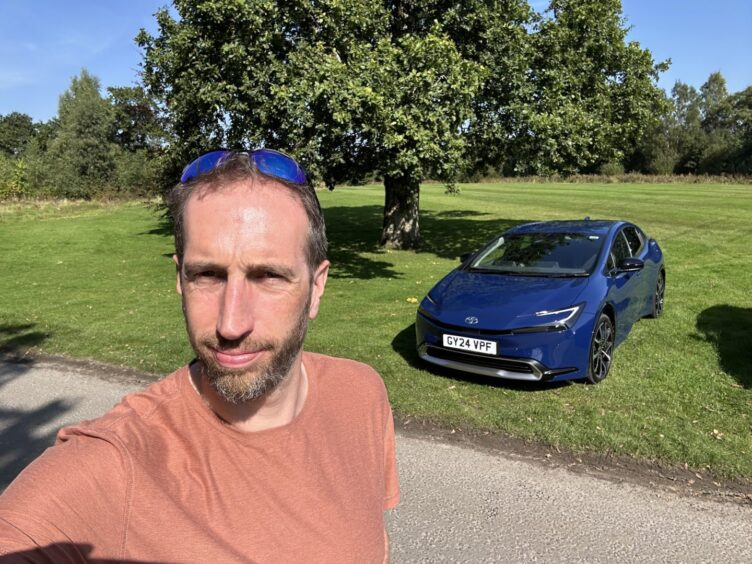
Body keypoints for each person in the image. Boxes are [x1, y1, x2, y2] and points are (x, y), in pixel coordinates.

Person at [0, 149, 400, 562]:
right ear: (179, 278)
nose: (230, 324)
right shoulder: (114, 464)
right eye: (207, 275)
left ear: (317, 287)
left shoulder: (362, 392)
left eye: (268, 276)